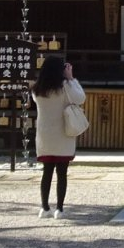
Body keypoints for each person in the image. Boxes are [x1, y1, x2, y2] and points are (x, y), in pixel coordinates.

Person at [31, 55, 86, 219]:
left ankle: (45, 207)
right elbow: (80, 98)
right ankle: (60, 209)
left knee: (46, 172)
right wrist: (71, 79)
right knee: (62, 172)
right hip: (63, 133)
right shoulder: (64, 87)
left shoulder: (37, 89)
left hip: (44, 134)